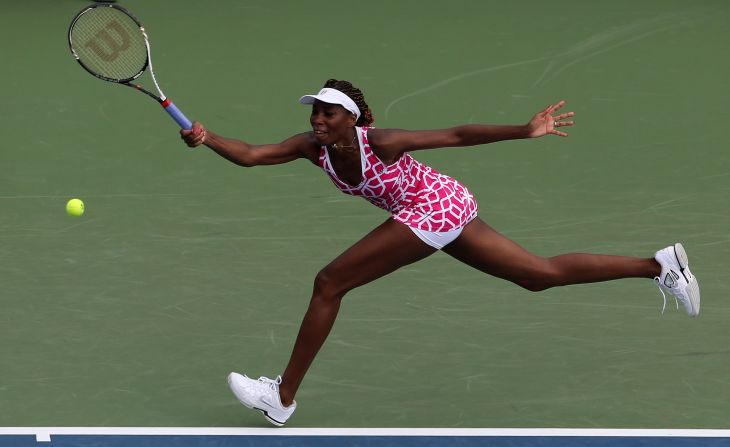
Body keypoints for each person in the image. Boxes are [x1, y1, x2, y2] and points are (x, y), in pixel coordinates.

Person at [180, 79, 700, 426]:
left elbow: (455, 133)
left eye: (328, 112)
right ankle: (658, 265)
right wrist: (207, 138)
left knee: (329, 283)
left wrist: (524, 129)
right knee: (537, 276)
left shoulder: (379, 142)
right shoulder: (309, 148)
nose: (318, 118)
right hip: (436, 208)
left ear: (352, 119)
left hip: (433, 207)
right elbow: (250, 155)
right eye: (315, 111)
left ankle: (282, 397)